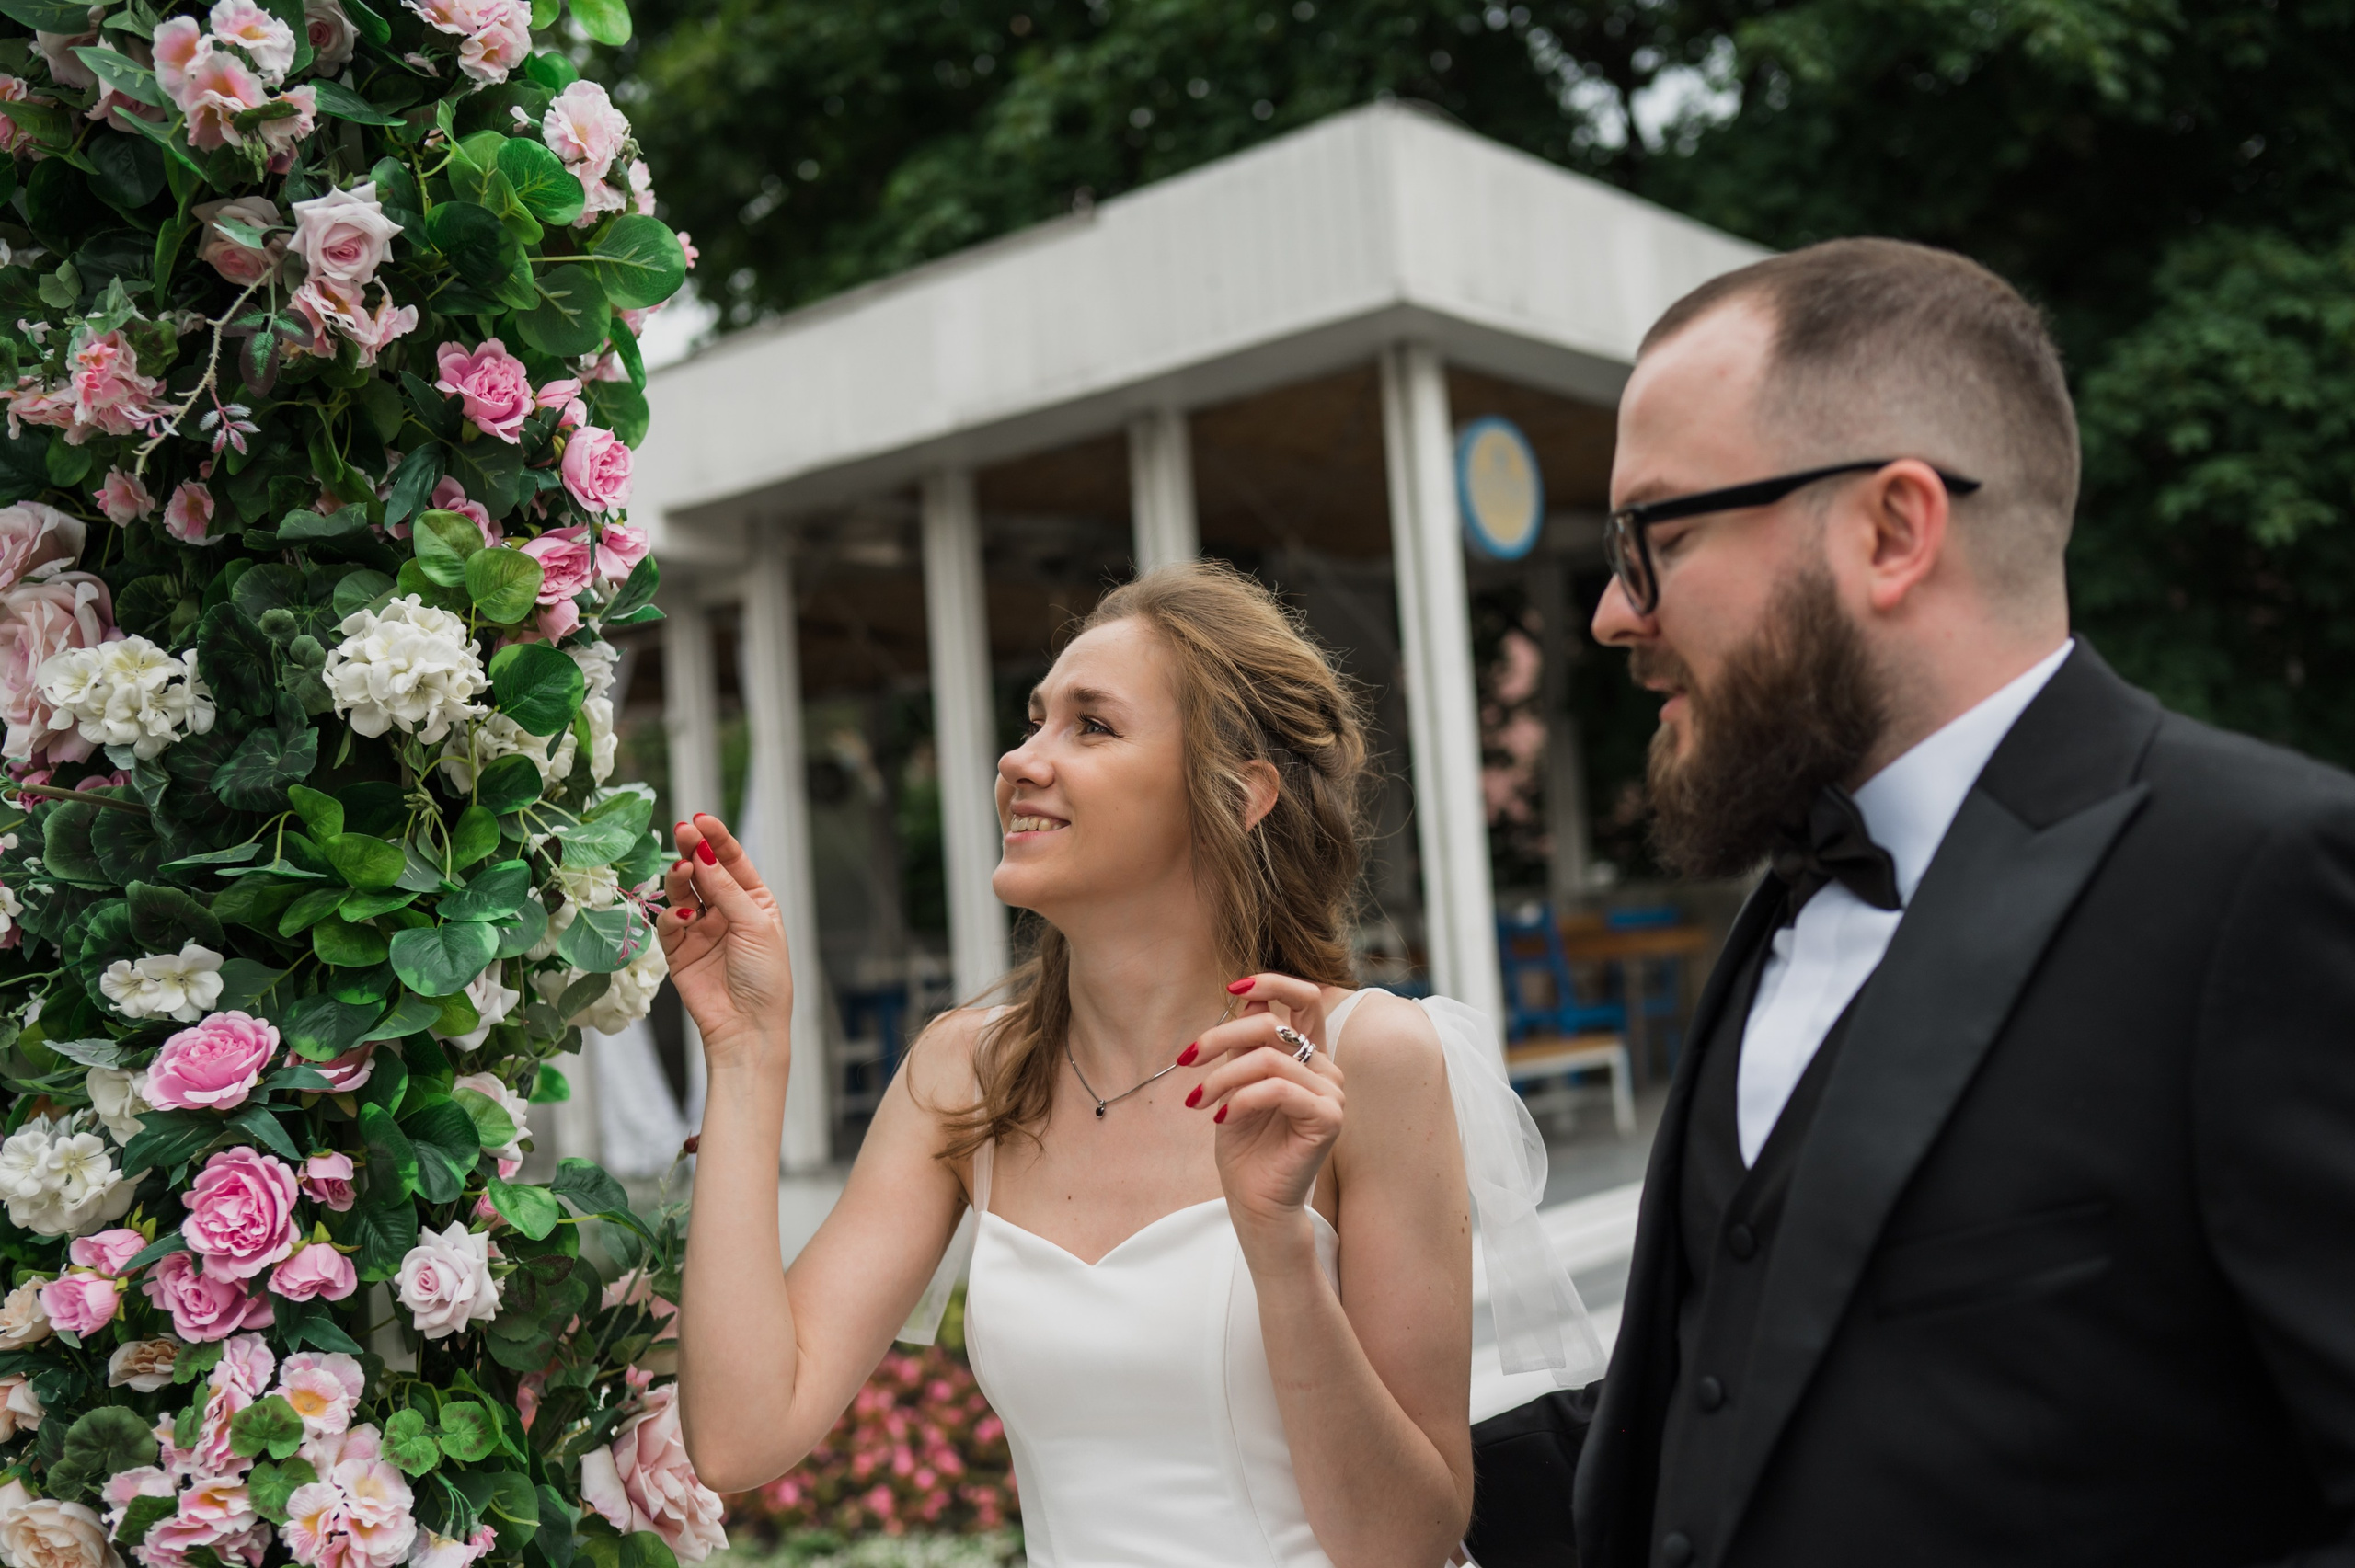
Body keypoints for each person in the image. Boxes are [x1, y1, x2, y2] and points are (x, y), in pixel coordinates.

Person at [1465, 236, 2355, 1568]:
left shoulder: (2267, 879)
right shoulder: (1784, 906)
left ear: (1890, 529)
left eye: (1657, 537)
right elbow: (1734, 1395)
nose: (1609, 612)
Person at [661, 563, 1593, 1568]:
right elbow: (741, 1437)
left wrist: (1278, 1244)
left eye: (1089, 726)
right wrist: (747, 1049)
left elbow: (1405, 1541)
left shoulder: (1360, 1059)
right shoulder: (964, 1074)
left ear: (1239, 795)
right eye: (1032, 720)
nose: (1022, 759)